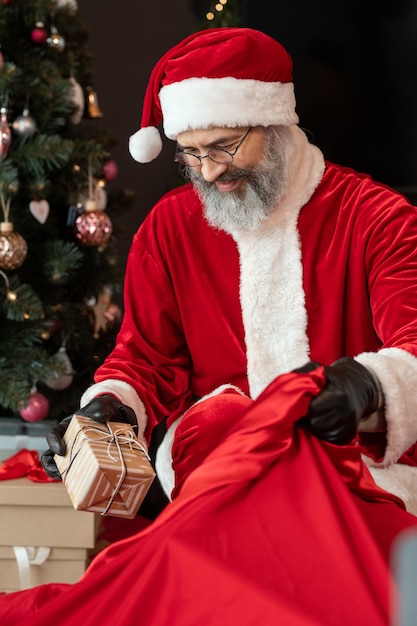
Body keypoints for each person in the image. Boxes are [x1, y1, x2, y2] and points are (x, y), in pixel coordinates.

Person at [2, 26, 417, 626]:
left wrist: (371, 387)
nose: (209, 171)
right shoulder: (170, 228)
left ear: (273, 124)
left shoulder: (378, 219)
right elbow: (144, 357)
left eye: (225, 146)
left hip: (352, 472)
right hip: (216, 471)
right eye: (191, 154)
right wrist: (115, 406)